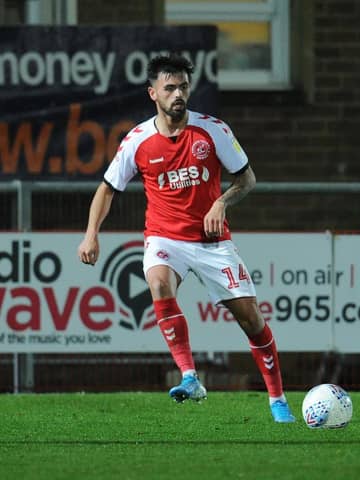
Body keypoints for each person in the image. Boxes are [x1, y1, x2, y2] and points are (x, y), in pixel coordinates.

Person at [77, 53, 295, 423]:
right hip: (165, 237)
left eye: (183, 86)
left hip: (212, 242)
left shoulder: (212, 131)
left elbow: (247, 179)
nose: (178, 93)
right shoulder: (138, 140)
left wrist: (221, 204)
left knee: (250, 319)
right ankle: (190, 376)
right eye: (170, 88)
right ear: (153, 93)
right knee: (158, 282)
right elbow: (107, 188)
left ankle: (278, 399)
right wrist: (91, 235)